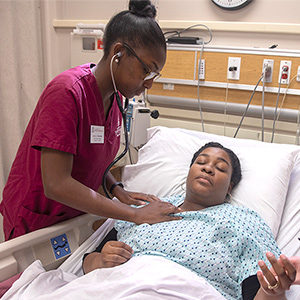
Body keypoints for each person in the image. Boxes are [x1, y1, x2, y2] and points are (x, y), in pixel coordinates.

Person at [0, 0, 181, 241]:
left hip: (69, 219)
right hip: (36, 219)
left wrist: (118, 191)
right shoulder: (66, 93)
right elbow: (56, 183)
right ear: (118, 54)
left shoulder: (115, 99)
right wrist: (134, 214)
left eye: (155, 75)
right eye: (147, 70)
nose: (149, 83)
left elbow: (92, 160)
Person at [82, 142, 297, 300]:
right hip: (115, 287)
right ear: (189, 172)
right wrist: (101, 261)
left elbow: (259, 290)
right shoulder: (145, 208)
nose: (207, 168)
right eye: (201, 162)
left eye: (220, 168)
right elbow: (88, 261)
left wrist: (272, 292)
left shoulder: (244, 221)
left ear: (230, 187)